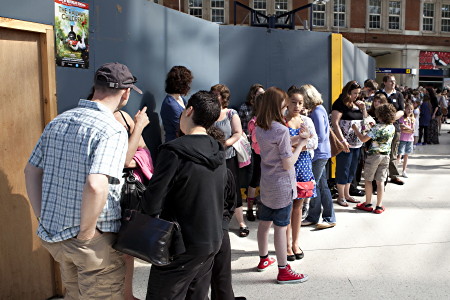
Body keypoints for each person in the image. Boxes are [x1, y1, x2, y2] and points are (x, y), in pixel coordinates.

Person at [24, 62, 142, 299]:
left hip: (56, 236)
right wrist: (86, 235)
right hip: (90, 240)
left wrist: (42, 217)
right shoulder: (112, 129)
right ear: (126, 93)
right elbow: (96, 184)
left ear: (95, 87)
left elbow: (31, 172)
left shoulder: (58, 121)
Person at [142, 91, 226, 300]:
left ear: (189, 110)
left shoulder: (173, 151)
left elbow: (153, 202)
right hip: (211, 239)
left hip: (181, 244)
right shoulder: (217, 148)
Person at [255, 87, 309, 284]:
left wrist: (296, 138)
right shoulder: (281, 129)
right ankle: (283, 269)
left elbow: (276, 144)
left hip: (267, 183)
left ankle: (263, 259)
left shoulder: (261, 127)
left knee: (264, 224)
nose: (287, 108)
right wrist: (301, 144)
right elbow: (288, 162)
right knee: (280, 227)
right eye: (285, 105)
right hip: (282, 185)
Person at [114, 109, 151, 300]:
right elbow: (123, 159)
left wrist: (132, 160)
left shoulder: (124, 116)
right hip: (106, 191)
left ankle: (127, 295)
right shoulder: (100, 121)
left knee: (127, 249)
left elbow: (143, 149)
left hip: (128, 192)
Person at [207, 126, 246, 300]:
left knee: (199, 280)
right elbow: (231, 202)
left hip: (197, 231)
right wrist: (224, 222)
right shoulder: (226, 173)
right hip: (220, 230)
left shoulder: (191, 171)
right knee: (222, 277)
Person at [284, 86, 318, 261]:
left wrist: (296, 145)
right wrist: (301, 141)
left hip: (303, 165)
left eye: (300, 103)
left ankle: (295, 243)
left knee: (298, 206)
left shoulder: (306, 120)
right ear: (287, 102)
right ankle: (287, 244)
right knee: (286, 206)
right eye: (293, 102)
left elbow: (314, 142)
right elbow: (281, 143)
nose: (297, 106)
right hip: (285, 167)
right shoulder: (281, 120)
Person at [211, 84, 249, 237]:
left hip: (229, 156)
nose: (214, 96)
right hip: (212, 157)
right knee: (215, 190)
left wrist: (225, 144)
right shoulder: (209, 113)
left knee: (233, 188)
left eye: (217, 94)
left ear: (223, 97)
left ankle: (241, 223)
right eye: (212, 94)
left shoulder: (231, 113)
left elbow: (238, 133)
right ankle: (218, 222)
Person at [300, 84, 336, 229]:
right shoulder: (319, 110)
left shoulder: (316, 112)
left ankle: (320, 217)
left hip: (319, 154)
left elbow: (319, 136)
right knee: (321, 186)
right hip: (322, 153)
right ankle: (324, 217)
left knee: (313, 186)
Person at [352, 103, 397, 214]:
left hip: (373, 156)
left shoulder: (376, 128)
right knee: (380, 181)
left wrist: (355, 130)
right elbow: (381, 134)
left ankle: (367, 203)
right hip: (385, 156)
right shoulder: (392, 127)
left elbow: (363, 139)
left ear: (380, 115)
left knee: (368, 179)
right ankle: (379, 206)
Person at [331, 80, 367, 207]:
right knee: (343, 168)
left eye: (358, 93)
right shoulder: (340, 104)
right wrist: (342, 141)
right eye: (354, 93)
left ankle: (347, 194)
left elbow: (365, 121)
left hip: (357, 143)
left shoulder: (357, 104)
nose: (356, 95)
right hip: (345, 142)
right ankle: (341, 195)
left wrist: (363, 109)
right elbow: (335, 123)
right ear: (348, 92)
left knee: (352, 169)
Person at [378, 74, 405, 185]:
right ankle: (380, 176)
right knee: (381, 152)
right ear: (385, 82)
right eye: (390, 81)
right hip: (380, 127)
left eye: (394, 81)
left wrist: (392, 119)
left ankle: (393, 176)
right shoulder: (379, 94)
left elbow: (402, 111)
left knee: (393, 152)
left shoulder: (398, 95)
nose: (393, 83)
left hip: (395, 127)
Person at [160, 66, 193, 142]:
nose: (188, 86)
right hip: (174, 143)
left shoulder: (179, 98)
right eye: (187, 83)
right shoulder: (171, 104)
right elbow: (182, 128)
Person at [246, 93, 264, 221]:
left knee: (263, 181)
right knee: (255, 180)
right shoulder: (255, 121)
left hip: (266, 155)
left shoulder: (264, 121)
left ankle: (261, 208)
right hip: (258, 155)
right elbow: (254, 139)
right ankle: (250, 209)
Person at [397, 103, 415, 178]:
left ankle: (404, 170)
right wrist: (409, 129)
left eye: (411, 109)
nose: (409, 110)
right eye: (408, 109)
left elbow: (413, 130)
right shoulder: (402, 118)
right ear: (405, 109)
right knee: (399, 155)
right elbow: (402, 129)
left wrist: (407, 128)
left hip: (410, 139)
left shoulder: (412, 119)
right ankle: (395, 170)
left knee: (406, 156)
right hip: (402, 139)